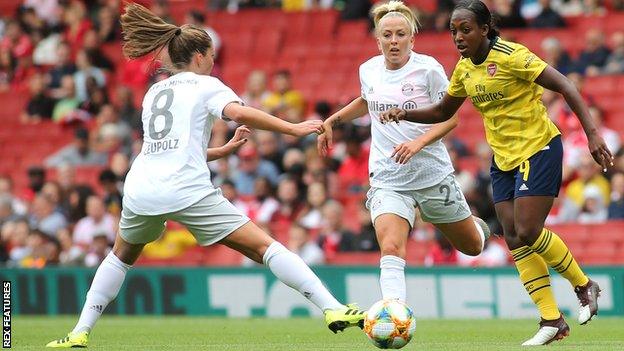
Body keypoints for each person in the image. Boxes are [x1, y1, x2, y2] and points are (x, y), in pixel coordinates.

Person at [45, 4, 364, 348]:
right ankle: (332, 308)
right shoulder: (206, 84)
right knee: (265, 247)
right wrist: (292, 127)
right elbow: (237, 112)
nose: (213, 61)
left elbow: (169, 147)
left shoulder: (155, 92)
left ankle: (79, 332)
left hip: (141, 187)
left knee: (120, 258)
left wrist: (223, 151)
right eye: (210, 55)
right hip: (185, 188)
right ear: (198, 56)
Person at [379, 0, 611, 345]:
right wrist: (404, 114)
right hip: (503, 158)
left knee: (529, 230)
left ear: (485, 29)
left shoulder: (512, 55)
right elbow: (444, 109)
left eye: (466, 30)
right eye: (454, 31)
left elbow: (565, 85)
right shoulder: (464, 69)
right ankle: (552, 319)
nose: (458, 37)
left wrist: (592, 134)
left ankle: (583, 284)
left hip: (539, 147)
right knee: (513, 236)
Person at [317, 1, 489, 305]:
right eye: (387, 35)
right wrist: (333, 119)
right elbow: (365, 100)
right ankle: (393, 310)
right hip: (388, 176)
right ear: (377, 38)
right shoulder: (368, 70)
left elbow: (451, 118)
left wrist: (417, 143)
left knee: (472, 246)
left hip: (431, 174)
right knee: (392, 247)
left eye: (400, 34)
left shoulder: (428, 70)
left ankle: (477, 226)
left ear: (412, 38)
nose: (393, 41)